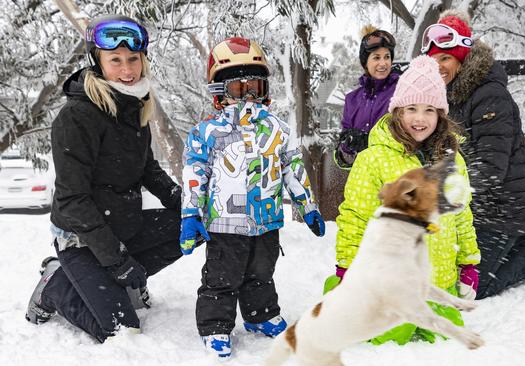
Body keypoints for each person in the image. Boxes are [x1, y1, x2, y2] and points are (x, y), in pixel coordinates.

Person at [24, 15, 183, 342]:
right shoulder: (77, 117)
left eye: (133, 60)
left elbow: (148, 170)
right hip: (81, 239)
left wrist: (188, 205)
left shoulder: (134, 107)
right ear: (97, 63)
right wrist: (118, 260)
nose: (127, 70)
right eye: (115, 61)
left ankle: (109, 281)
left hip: (123, 225)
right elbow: (72, 201)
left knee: (189, 228)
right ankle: (55, 286)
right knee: (123, 332)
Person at [179, 37, 325, 359]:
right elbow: (194, 174)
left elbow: (292, 167)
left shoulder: (278, 129)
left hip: (266, 220)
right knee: (222, 276)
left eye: (254, 86)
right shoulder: (206, 134)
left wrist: (307, 205)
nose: (247, 94)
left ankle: (260, 315)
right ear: (219, 91)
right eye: (237, 86)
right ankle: (216, 325)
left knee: (261, 272)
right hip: (224, 223)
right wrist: (191, 215)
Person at [328, 55, 481, 345]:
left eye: (429, 110)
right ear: (398, 111)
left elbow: (462, 215)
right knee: (385, 340)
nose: (419, 118)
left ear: (441, 115)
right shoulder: (373, 159)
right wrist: (346, 266)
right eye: (411, 108)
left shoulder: (452, 161)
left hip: (439, 279)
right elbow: (355, 217)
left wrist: (469, 264)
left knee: (447, 342)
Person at [422, 9, 525, 299]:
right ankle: (523, 241)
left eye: (446, 58)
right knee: (443, 267)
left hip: (505, 206)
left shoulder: (489, 95)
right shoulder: (444, 97)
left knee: (474, 287)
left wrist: (444, 195)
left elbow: (490, 167)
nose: (438, 66)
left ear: (462, 59)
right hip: (471, 205)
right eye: (433, 59)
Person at [334, 26, 400, 169]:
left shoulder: (401, 91)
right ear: (365, 63)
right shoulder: (352, 99)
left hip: (394, 175)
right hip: (363, 178)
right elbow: (343, 157)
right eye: (376, 57)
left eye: (387, 57)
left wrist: (372, 140)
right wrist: (349, 145)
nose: (383, 63)